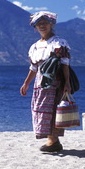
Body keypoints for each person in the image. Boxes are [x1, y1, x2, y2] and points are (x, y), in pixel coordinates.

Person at [20, 11, 71, 152]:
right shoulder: (35, 46)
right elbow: (34, 67)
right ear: (35, 27)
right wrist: (26, 83)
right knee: (41, 109)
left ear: (51, 24)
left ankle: (53, 141)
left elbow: (65, 63)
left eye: (45, 23)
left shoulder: (58, 43)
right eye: (39, 24)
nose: (42, 26)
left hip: (54, 81)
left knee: (53, 109)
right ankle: (52, 140)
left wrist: (67, 82)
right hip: (40, 82)